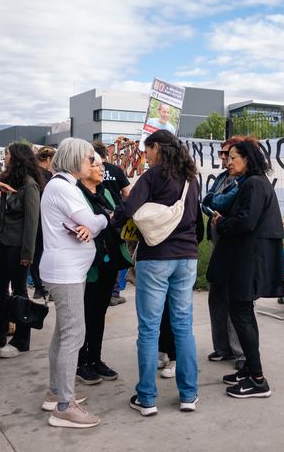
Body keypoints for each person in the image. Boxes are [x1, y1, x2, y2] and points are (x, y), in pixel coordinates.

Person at [112, 129, 201, 416]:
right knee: (183, 326)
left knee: (149, 329)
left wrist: (113, 221)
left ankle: (147, 398)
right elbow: (197, 219)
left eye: (147, 150)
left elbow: (128, 209)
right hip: (187, 257)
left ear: (158, 148)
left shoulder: (151, 177)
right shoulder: (190, 178)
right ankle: (189, 395)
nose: (145, 156)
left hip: (156, 258)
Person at [207, 141, 284, 399]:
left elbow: (246, 222)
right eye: (227, 157)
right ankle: (250, 370)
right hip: (246, 258)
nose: (228, 162)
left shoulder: (253, 184)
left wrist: (221, 222)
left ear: (247, 159)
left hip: (247, 260)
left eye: (233, 157)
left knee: (241, 314)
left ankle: (259, 380)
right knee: (244, 313)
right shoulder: (254, 182)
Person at [40, 138, 108, 429]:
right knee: (73, 336)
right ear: (74, 160)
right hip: (65, 272)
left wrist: (93, 222)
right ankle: (65, 407)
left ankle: (56, 393)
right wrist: (101, 219)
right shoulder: (63, 187)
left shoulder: (64, 186)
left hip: (68, 271)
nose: (93, 164)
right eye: (88, 159)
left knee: (63, 334)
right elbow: (92, 223)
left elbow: (88, 224)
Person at [75, 153, 130, 385]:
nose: (100, 167)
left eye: (99, 162)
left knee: (99, 312)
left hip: (110, 261)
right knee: (84, 314)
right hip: (89, 264)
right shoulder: (76, 195)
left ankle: (95, 358)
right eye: (94, 163)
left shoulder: (106, 192)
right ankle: (80, 362)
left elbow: (115, 220)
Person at [201, 136, 252, 369]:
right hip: (218, 242)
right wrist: (215, 203)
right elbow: (206, 202)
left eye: (228, 154)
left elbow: (218, 203)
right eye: (223, 154)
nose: (224, 158)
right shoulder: (222, 177)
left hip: (235, 245)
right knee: (217, 295)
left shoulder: (245, 182)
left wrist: (216, 203)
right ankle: (222, 347)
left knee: (235, 299)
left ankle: (242, 352)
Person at [0, 143, 43, 358]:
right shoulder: (11, 182)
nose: (6, 158)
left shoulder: (29, 185)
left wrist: (27, 254)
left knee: (19, 290)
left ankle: (22, 339)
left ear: (18, 157)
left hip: (19, 246)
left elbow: (32, 222)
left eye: (8, 155)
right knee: (0, 287)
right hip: (6, 242)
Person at [91, 139, 131, 306]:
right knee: (114, 251)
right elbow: (128, 193)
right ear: (106, 153)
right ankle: (113, 293)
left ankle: (98, 289)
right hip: (114, 217)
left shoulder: (89, 170)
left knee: (97, 252)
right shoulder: (116, 170)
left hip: (93, 215)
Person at [30, 146, 55, 299]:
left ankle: (39, 287)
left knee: (36, 255)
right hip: (45, 219)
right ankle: (50, 288)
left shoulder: (30, 174)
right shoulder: (48, 176)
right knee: (48, 253)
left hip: (32, 220)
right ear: (48, 160)